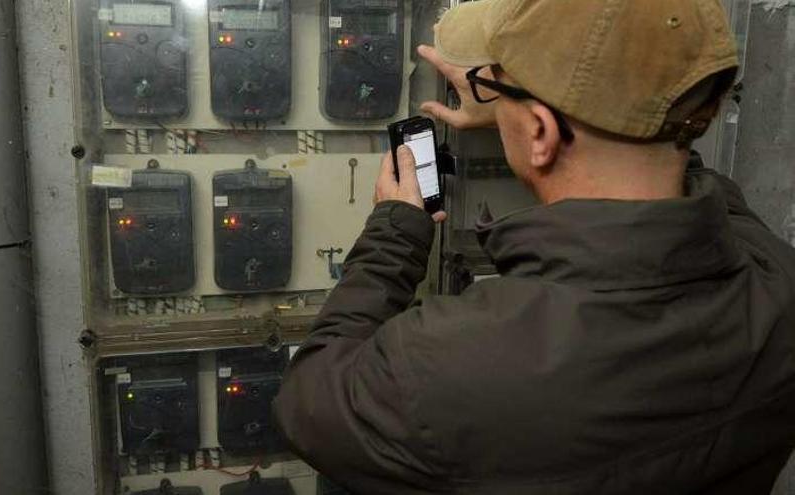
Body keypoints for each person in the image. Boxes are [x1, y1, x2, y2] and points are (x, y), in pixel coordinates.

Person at [273, 0, 795, 493]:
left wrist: (396, 230)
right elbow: (667, 156)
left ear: (542, 130)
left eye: (498, 77)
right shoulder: (777, 281)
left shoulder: (452, 363)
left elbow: (309, 399)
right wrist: (514, 110)